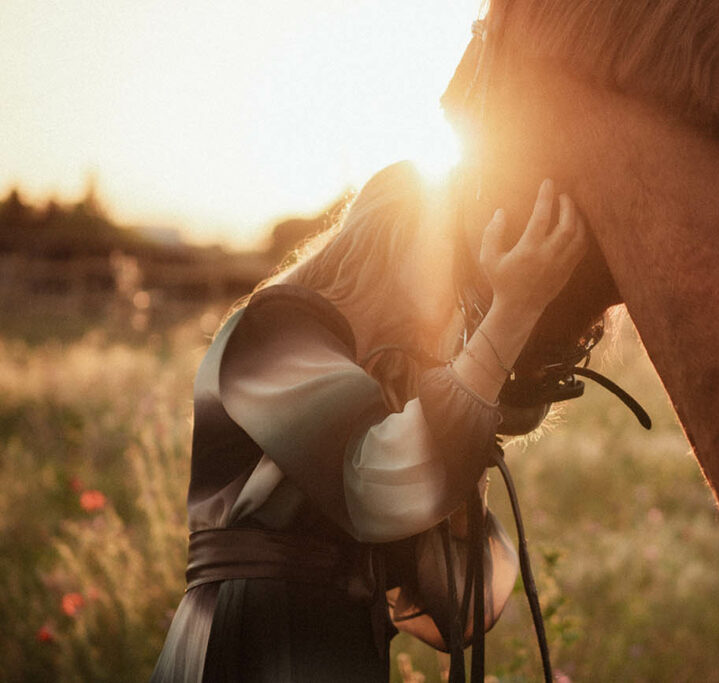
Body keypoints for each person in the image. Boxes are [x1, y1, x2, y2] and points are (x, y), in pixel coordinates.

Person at [151, 161, 588, 682]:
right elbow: (375, 482)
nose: (471, 297)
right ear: (406, 246)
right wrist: (512, 313)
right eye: (461, 264)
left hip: (344, 650)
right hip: (253, 643)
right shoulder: (275, 329)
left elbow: (456, 607)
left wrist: (469, 460)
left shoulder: (389, 397)